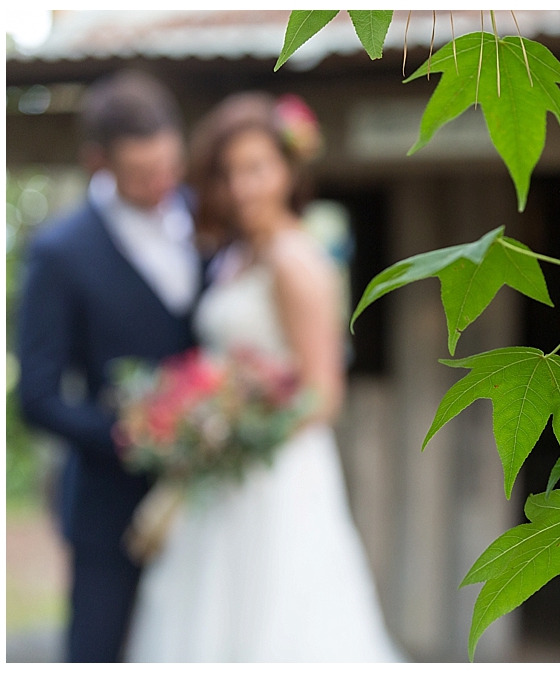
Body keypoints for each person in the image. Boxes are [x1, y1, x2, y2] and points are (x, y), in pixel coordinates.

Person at [124, 92, 402, 662]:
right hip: (221, 477)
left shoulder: (297, 261)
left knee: (279, 624)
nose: (242, 187)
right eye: (228, 174)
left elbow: (324, 394)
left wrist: (233, 426)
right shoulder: (237, 255)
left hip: (277, 475)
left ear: (286, 170)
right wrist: (199, 418)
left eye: (256, 169)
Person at [16, 70, 202, 662]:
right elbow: (37, 396)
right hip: (106, 508)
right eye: (143, 174)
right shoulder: (59, 252)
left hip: (211, 498)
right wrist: (135, 435)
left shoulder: (212, 221)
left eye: (170, 166)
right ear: (99, 163)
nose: (162, 184)